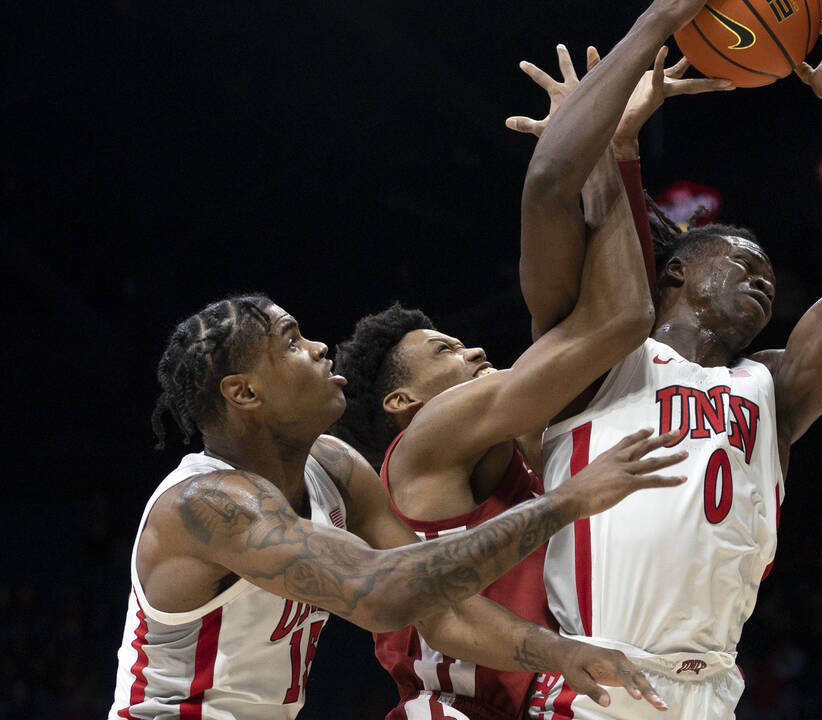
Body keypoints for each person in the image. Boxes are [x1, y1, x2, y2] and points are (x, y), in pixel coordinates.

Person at [508, 0, 822, 718]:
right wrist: (661, 20)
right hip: (592, 686)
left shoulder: (771, 389)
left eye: (766, 267)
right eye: (739, 257)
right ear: (677, 274)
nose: (763, 273)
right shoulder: (594, 356)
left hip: (712, 693)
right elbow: (550, 188)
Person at [328, 23, 733, 720]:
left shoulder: (519, 446)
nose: (477, 352)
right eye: (446, 352)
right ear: (403, 400)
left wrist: (616, 151)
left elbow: (594, 312)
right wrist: (606, 144)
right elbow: (611, 319)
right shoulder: (428, 440)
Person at [108, 295, 689, 719]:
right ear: (244, 393)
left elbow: (444, 613)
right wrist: (564, 503)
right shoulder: (207, 505)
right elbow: (380, 595)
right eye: (290, 342)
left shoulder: (333, 467)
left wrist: (563, 653)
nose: (315, 348)